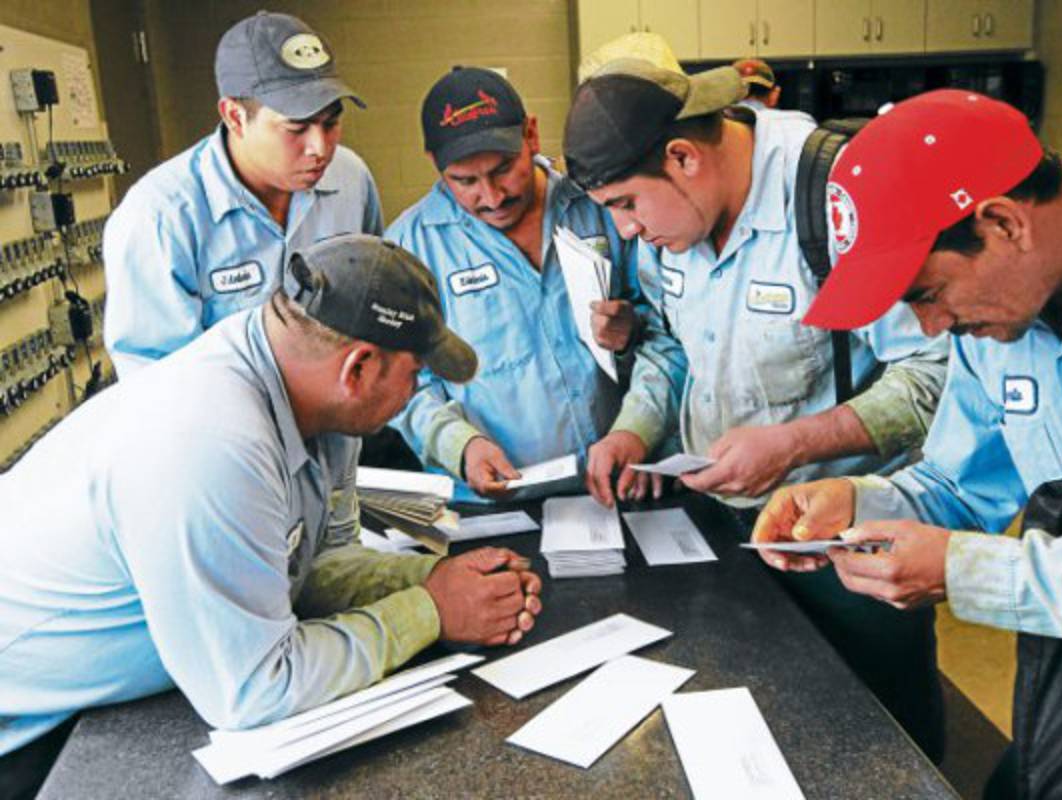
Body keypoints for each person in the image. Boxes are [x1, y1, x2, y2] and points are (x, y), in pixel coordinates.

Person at [752, 89, 1062, 797]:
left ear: (1002, 223)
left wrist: (965, 573)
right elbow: (963, 486)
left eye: (927, 293)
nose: (929, 329)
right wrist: (860, 498)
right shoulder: (998, 313)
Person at [0, 235, 542, 800]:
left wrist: (431, 578)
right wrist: (431, 610)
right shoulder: (208, 438)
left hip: (96, 705)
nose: (417, 391)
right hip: (26, 732)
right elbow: (254, 690)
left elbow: (307, 568)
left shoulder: (317, 401)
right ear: (358, 367)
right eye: (415, 373)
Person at [562, 35, 949, 759]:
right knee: (764, 741)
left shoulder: (836, 195)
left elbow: (937, 377)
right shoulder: (663, 224)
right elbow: (671, 345)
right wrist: (636, 430)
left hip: (843, 547)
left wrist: (798, 443)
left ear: (683, 157)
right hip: (721, 531)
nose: (627, 230)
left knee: (881, 750)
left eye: (625, 206)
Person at [386, 67, 686, 502]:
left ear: (531, 135)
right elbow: (402, 382)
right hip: (493, 503)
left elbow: (670, 334)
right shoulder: (409, 249)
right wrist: (459, 445)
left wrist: (637, 409)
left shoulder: (603, 207)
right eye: (465, 181)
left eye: (504, 169)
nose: (492, 196)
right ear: (435, 164)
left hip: (622, 484)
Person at [103, 11, 383, 376]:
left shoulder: (351, 179)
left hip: (340, 426)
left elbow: (375, 296)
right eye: (296, 128)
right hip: (228, 428)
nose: (319, 147)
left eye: (331, 123)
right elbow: (161, 384)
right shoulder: (160, 218)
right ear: (235, 117)